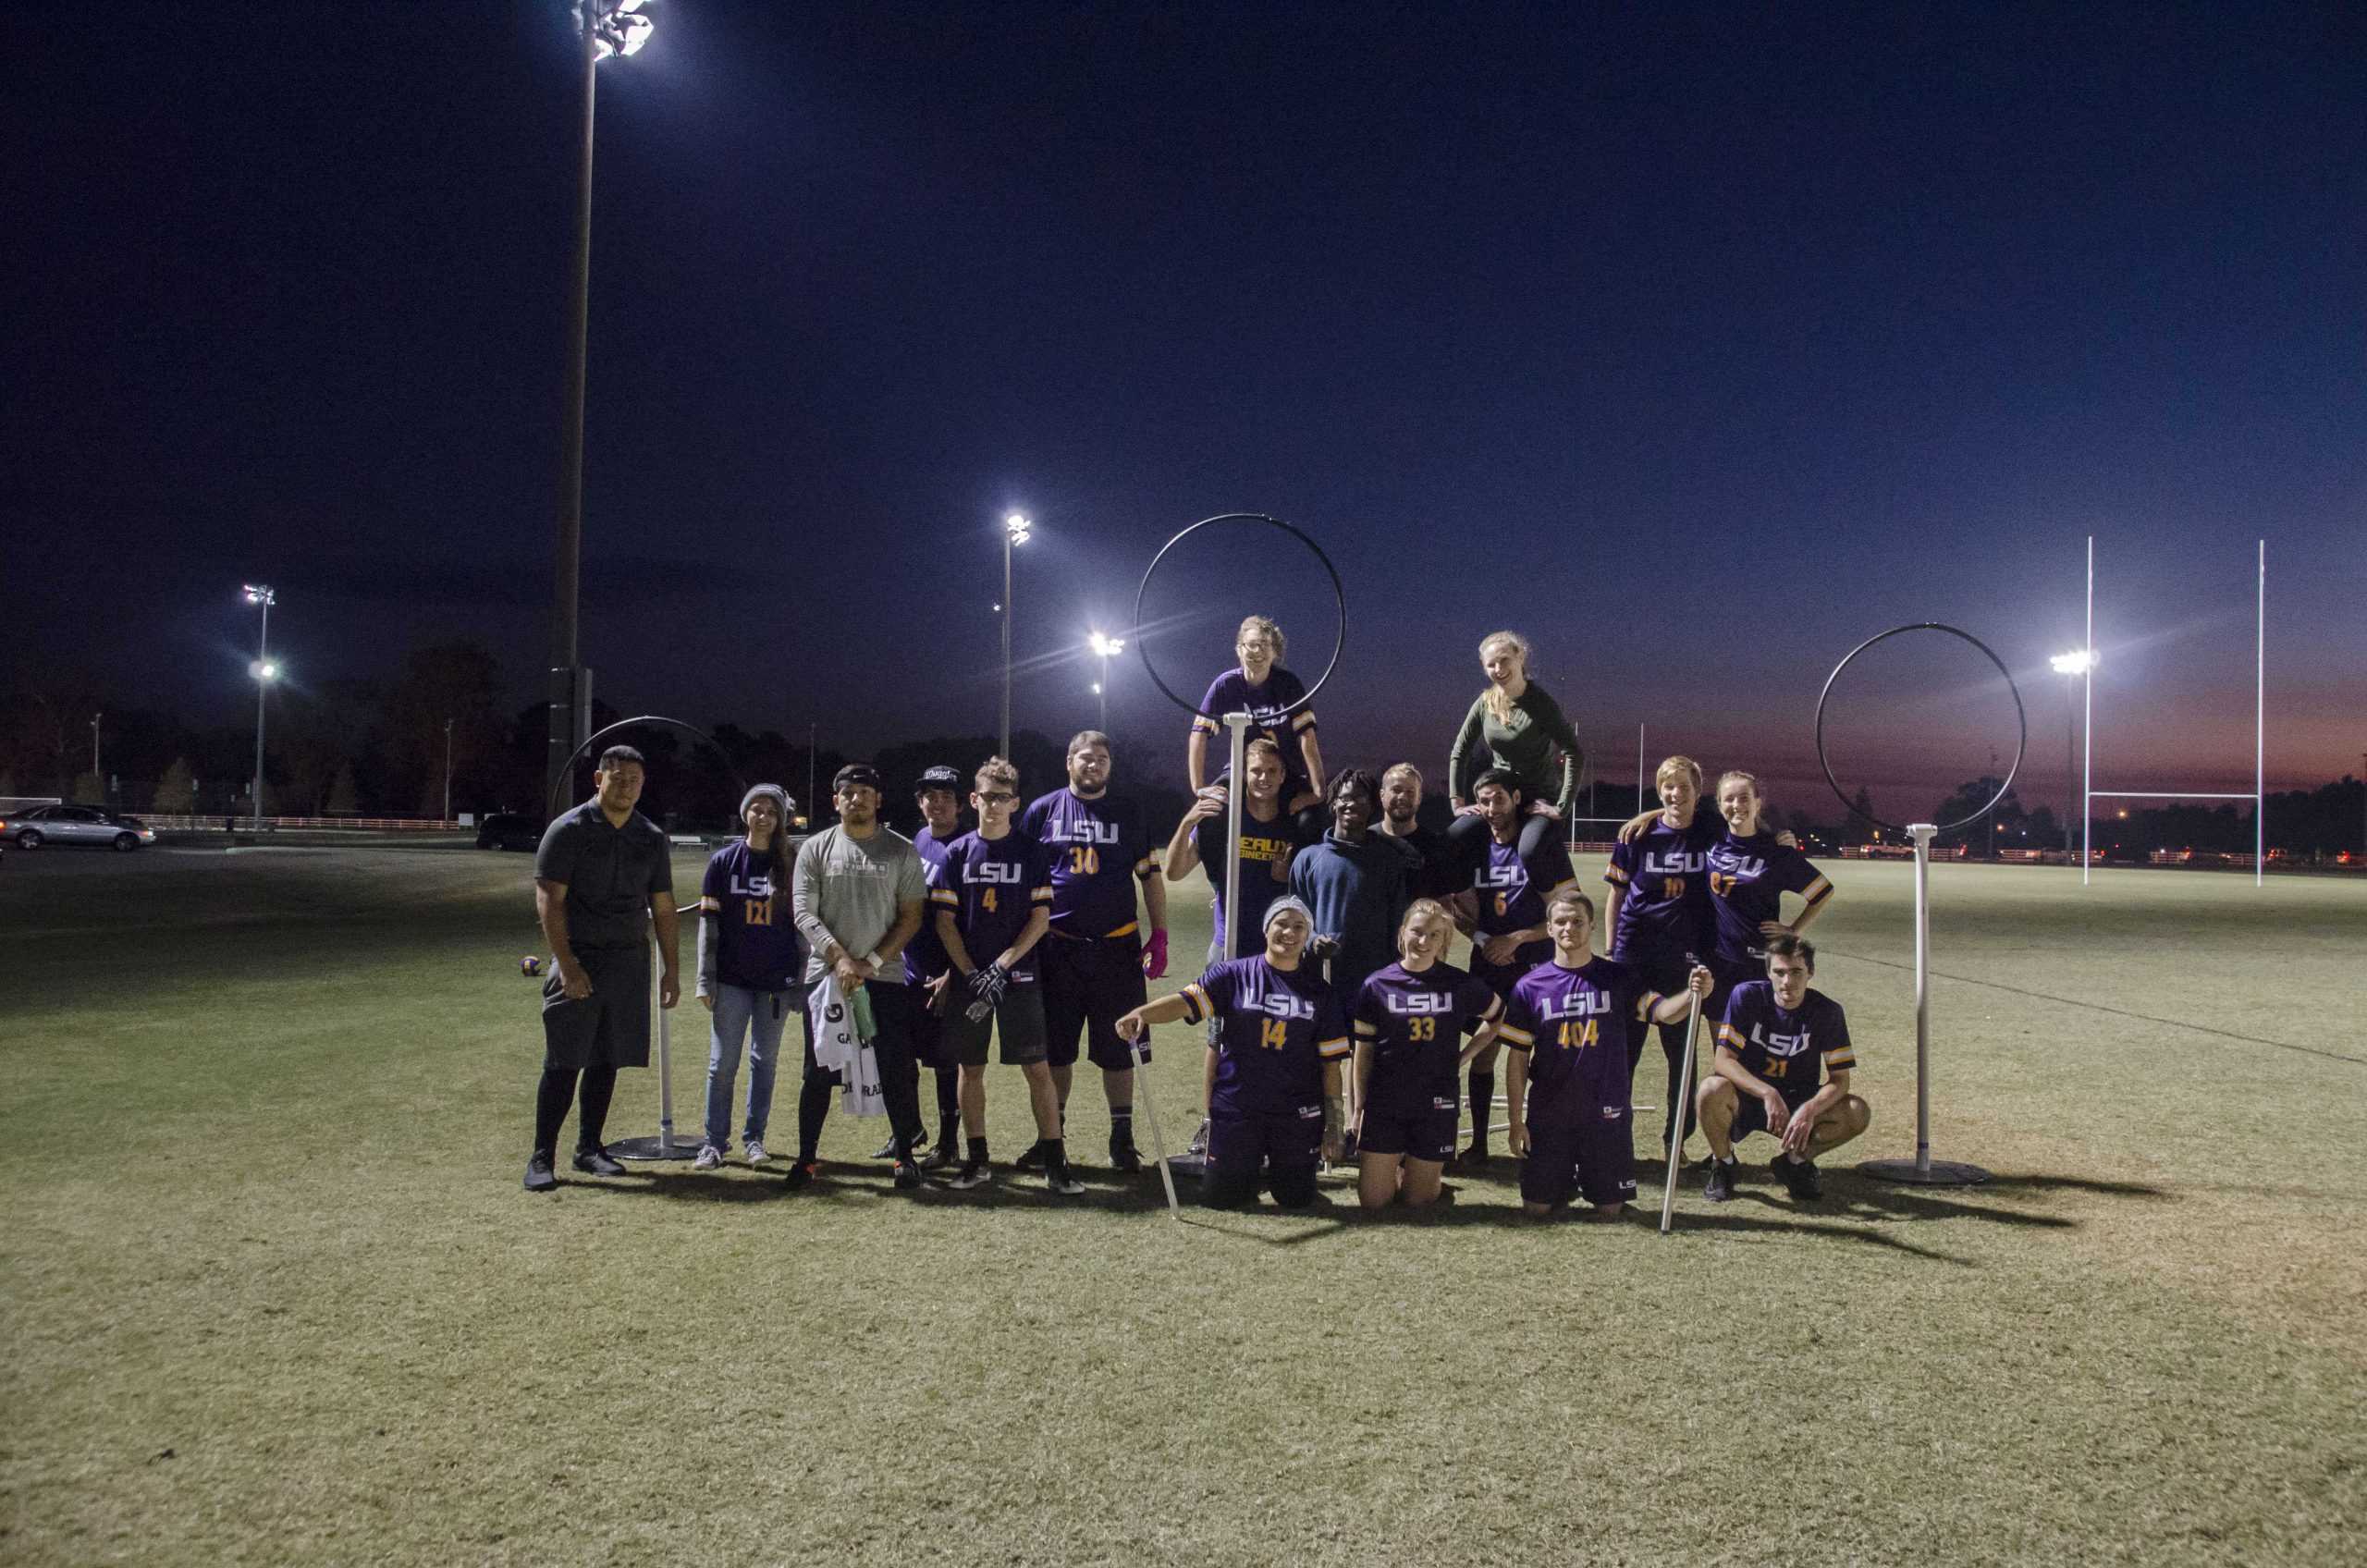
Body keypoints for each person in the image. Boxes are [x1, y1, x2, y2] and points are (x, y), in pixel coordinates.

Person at [1115, 898, 1347, 1209]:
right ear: (1266, 929)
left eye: (1298, 927)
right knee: (1221, 1198)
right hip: (1239, 1105)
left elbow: (1331, 1065)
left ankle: (1276, 1172)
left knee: (1296, 1198)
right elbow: (1185, 1001)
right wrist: (1142, 1014)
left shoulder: (1321, 992)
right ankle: (1245, 1170)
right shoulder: (1232, 975)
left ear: (1307, 936)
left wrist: (1334, 1124)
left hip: (1296, 1112)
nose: (1288, 933)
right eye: (1281, 924)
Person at [1498, 889, 1712, 1219]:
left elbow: (1665, 1013)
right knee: (1535, 1209)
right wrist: (1515, 1120)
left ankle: (1592, 1181)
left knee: (1610, 1209)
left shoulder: (1618, 977)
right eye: (1561, 922)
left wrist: (1692, 994)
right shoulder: (1530, 987)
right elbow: (1517, 1059)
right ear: (1550, 929)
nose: (1569, 928)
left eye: (1577, 921)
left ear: (1592, 926)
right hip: (1550, 1112)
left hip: (1605, 1112)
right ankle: (1562, 1179)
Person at [524, 744, 680, 1192]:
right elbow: (549, 900)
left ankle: (589, 1148)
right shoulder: (569, 830)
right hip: (580, 958)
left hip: (628, 960)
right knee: (563, 1060)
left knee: (607, 1058)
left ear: (643, 785)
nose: (626, 786)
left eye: (634, 779)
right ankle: (542, 1156)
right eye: (617, 777)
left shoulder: (650, 837)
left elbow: (664, 908)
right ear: (599, 780)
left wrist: (671, 969)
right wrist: (568, 965)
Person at [1021, 730, 1168, 1172]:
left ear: (1110, 766)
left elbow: (1149, 877)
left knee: (1121, 1046)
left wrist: (1159, 934)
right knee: (1056, 1050)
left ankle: (1121, 1139)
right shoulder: (1042, 810)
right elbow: (1022, 880)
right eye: (1086, 758)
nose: (1094, 765)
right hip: (1057, 949)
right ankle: (1052, 1137)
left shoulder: (1127, 811)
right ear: (1069, 762)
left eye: (1102, 759)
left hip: (1116, 949)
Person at [933, 758, 1080, 1194]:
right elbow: (945, 922)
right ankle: (977, 1160)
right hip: (970, 978)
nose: (994, 806)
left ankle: (1056, 1160)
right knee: (971, 1067)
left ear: (1015, 803)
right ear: (973, 800)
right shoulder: (956, 853)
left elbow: (1040, 917)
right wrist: (972, 972)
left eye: (1003, 798)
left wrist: (1002, 966)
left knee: (1037, 1067)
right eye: (986, 797)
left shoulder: (1031, 851)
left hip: (1017, 977)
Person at [784, 764, 930, 1191]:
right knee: (818, 1072)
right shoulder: (815, 848)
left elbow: (911, 917)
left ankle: (905, 1157)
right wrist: (840, 959)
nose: (857, 798)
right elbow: (803, 912)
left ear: (878, 800)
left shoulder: (901, 850)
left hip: (883, 978)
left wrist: (869, 961)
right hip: (826, 978)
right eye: (849, 792)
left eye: (866, 791)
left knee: (896, 1068)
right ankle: (807, 1159)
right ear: (836, 800)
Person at [1448, 767, 1576, 1170]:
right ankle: (1480, 1144)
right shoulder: (1474, 848)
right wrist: (1488, 942)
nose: (1491, 808)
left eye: (1498, 798)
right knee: (1485, 1052)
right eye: (1483, 800)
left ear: (1516, 797)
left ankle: (1544, 1141)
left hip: (1534, 966)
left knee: (1543, 1055)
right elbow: (1460, 913)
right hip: (1488, 964)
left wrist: (1517, 939)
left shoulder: (1534, 847)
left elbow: (1569, 912)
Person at [1601, 755, 1721, 1162]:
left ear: (1697, 791)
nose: (1675, 794)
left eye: (1684, 786)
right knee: (1624, 1056)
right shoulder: (1638, 835)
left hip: (1684, 961)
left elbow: (1747, 828)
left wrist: (1782, 840)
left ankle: (1676, 1141)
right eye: (1667, 787)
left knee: (1682, 1060)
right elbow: (1616, 895)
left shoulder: (1711, 830)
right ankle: (1617, 1136)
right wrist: (1611, 950)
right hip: (1635, 956)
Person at [1290, 767, 1417, 1141]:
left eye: (1360, 798)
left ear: (1372, 806)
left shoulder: (1388, 860)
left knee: (1366, 1058)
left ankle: (1356, 1126)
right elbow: (1296, 916)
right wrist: (1312, 941)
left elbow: (1400, 926)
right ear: (1333, 804)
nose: (1351, 805)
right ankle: (1320, 1127)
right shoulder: (1309, 858)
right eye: (1344, 798)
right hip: (1323, 977)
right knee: (1324, 1055)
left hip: (1371, 980)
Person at [1352, 900, 1503, 1212]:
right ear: (1402, 933)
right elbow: (1363, 1052)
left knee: (1417, 1201)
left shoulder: (1459, 983)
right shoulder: (1376, 984)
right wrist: (1358, 1109)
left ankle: (1425, 1178)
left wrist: (1465, 1056)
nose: (1424, 941)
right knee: (1373, 1202)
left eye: (1434, 935)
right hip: (1386, 1099)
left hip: (1436, 1100)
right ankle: (1395, 1167)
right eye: (1417, 932)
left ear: (1444, 941)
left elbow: (1498, 1016)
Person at [1698, 934, 1870, 1201]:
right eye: (1779, 972)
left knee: (1856, 1111)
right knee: (1710, 1089)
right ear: (1768, 972)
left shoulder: (1827, 1011)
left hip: (1799, 1098)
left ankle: (1794, 1163)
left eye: (1796, 972)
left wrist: (1809, 1110)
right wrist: (1767, 1093)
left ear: (1810, 972)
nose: (1787, 981)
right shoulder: (1747, 996)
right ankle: (1724, 1164)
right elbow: (1723, 1060)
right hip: (1751, 1096)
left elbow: (1840, 1079)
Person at [693, 783, 805, 1170]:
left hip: (775, 982)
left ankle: (754, 1138)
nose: (763, 817)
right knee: (722, 1063)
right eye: (756, 809)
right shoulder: (723, 862)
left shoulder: (791, 863)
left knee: (765, 1061)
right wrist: (704, 980)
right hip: (731, 979)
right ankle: (713, 1142)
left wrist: (800, 982)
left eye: (771, 812)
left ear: (780, 819)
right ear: (746, 814)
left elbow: (801, 927)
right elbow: (709, 928)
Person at [1444, 631, 1586, 874]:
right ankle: (1472, 904)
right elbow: (1460, 752)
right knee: (1452, 839)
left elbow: (1574, 752)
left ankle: (1553, 901)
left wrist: (1561, 807)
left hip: (1538, 801)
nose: (1498, 669)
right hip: (1499, 801)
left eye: (1504, 660)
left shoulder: (1541, 704)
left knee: (1528, 851)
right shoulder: (1485, 703)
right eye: (1491, 664)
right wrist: (1456, 802)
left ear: (1520, 657)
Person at [1186, 615, 1328, 839]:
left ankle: (1297, 872)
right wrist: (1198, 786)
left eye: (1265, 645)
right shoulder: (1226, 685)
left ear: (1275, 652)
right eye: (1251, 644)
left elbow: (1306, 736)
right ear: (1239, 650)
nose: (1258, 651)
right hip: (1242, 770)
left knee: (1311, 821)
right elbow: (1199, 735)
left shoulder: (1288, 684)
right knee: (1209, 814)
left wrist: (1319, 789)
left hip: (1285, 770)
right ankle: (1217, 873)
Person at [1702, 771, 1834, 1009]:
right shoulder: (1711, 840)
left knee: (1758, 1039)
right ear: (1719, 805)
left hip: (1762, 962)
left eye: (1744, 798)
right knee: (1721, 1042)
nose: (1736, 805)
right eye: (1728, 799)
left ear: (1757, 803)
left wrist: (1794, 930)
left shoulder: (1776, 850)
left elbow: (1823, 891)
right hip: (1721, 961)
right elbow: (1676, 812)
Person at [1162, 736, 1294, 965]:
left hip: (1275, 947)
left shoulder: (1292, 824)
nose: (1264, 778)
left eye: (1272, 771)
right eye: (1256, 771)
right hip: (1228, 944)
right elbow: (1174, 873)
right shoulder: (1224, 822)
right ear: (1243, 774)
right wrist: (1187, 824)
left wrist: (1286, 881)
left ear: (1282, 775)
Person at [904, 764, 967, 1167]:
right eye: (930, 796)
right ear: (920, 802)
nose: (937, 804)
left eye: (946, 797)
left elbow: (976, 920)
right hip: (910, 969)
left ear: (961, 804)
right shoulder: (920, 839)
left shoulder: (970, 845)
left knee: (946, 1064)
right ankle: (909, 1131)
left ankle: (948, 1144)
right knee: (901, 1057)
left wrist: (955, 974)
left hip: (947, 974)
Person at [1377, 762, 1461, 900]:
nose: (1402, 797)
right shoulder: (1366, 840)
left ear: (1419, 798)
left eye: (1410, 792)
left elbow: (1445, 903)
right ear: (1382, 794)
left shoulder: (1436, 847)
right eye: (1396, 790)